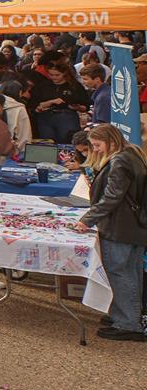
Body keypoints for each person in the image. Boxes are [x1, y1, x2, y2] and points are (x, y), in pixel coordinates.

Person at [75, 124, 147, 342]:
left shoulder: (119, 161)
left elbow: (112, 198)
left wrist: (88, 219)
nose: (95, 150)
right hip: (133, 226)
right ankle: (124, 315)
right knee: (130, 271)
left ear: (111, 142)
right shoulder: (132, 153)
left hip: (120, 227)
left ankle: (128, 323)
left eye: (97, 145)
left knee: (120, 272)